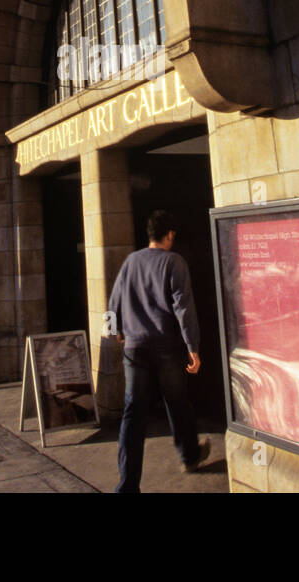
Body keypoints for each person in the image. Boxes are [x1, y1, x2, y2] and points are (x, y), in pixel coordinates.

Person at [107, 209, 209, 493]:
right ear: (170, 235)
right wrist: (193, 348)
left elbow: (113, 300)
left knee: (133, 413)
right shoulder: (174, 262)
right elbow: (183, 308)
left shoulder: (130, 261)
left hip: (135, 348)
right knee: (177, 402)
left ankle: (127, 485)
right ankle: (189, 455)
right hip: (166, 346)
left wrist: (115, 331)